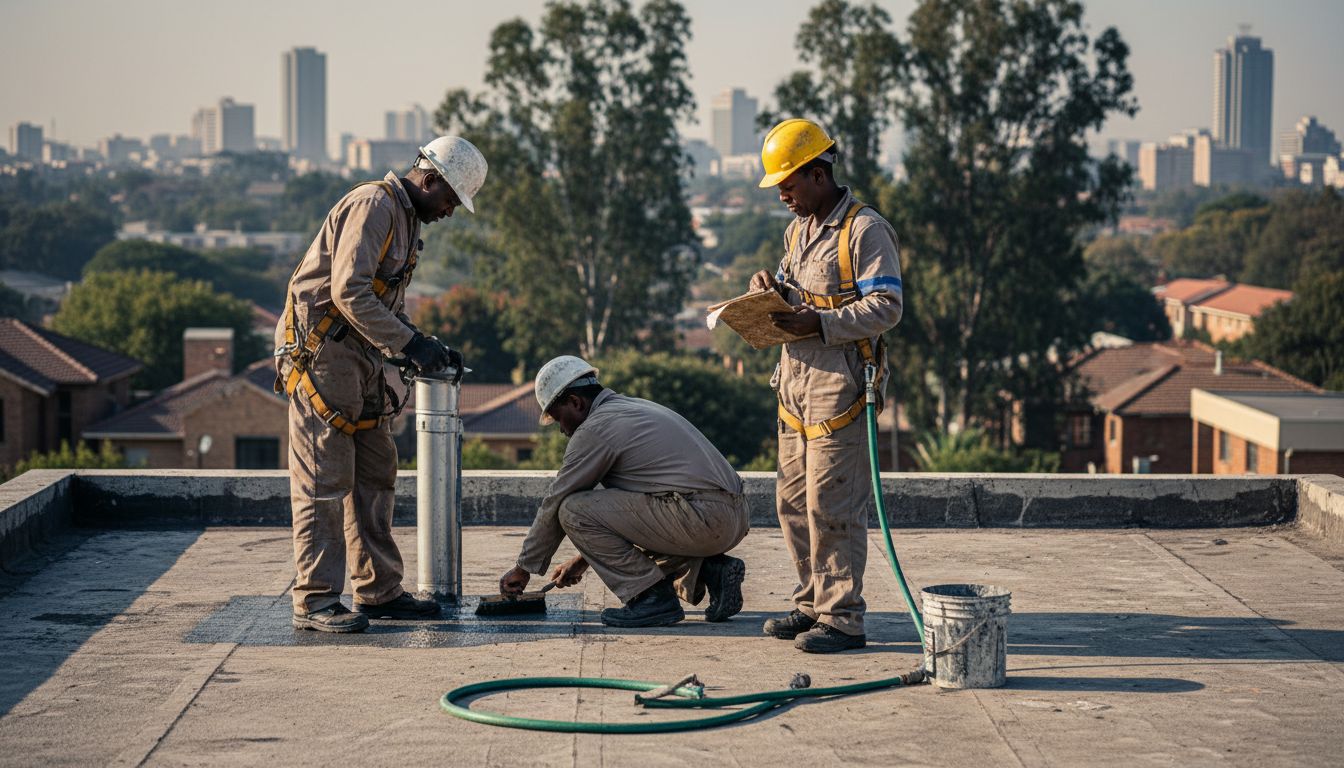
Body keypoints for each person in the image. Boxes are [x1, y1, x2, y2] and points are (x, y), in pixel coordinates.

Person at [277, 136, 487, 633]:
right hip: (323, 356)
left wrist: (418, 341)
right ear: (429, 178)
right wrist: (410, 345)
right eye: (451, 200)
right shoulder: (374, 205)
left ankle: (378, 591)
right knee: (325, 480)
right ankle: (315, 600)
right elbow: (348, 290)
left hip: (362, 357)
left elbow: (382, 299)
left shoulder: (406, 218)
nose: (451, 212)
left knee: (375, 473)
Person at [748, 118, 904, 653]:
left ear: (818, 174)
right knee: (792, 503)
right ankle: (810, 603)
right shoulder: (799, 230)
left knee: (831, 506)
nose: (784, 197)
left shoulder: (865, 231)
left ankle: (842, 618)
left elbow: (886, 306)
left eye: (788, 185)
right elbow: (802, 289)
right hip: (793, 387)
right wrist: (770, 289)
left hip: (840, 391)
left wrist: (818, 323)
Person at [498, 356, 750, 628]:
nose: (561, 430)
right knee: (608, 512)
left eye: (559, 418)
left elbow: (555, 502)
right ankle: (712, 572)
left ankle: (650, 598)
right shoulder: (631, 407)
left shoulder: (595, 429)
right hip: (731, 516)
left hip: (701, 516)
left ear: (575, 402)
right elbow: (637, 516)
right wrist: (583, 559)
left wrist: (523, 569)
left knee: (572, 510)